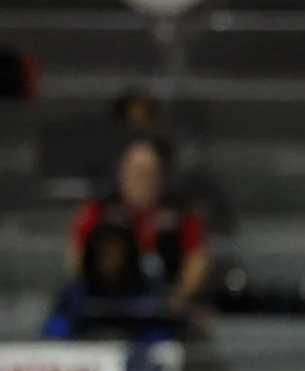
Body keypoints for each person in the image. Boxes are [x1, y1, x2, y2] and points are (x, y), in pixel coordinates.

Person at [62, 138, 211, 323]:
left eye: (149, 173)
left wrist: (179, 296)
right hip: (109, 302)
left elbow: (197, 259)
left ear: (160, 176)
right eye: (137, 172)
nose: (142, 180)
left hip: (165, 304)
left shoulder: (180, 212)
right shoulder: (100, 208)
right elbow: (76, 252)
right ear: (122, 174)